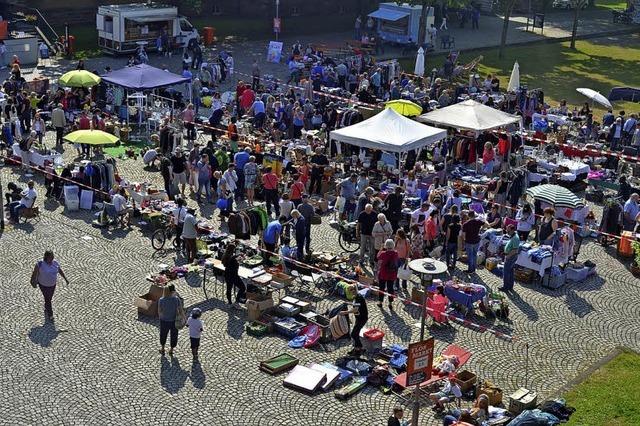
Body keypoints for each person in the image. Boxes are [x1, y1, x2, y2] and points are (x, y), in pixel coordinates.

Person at [31, 250, 69, 321]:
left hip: (52, 285)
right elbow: (34, 273)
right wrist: (33, 282)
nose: (52, 259)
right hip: (43, 284)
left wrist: (65, 279)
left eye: (52, 257)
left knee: (49, 298)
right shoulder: (40, 264)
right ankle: (50, 314)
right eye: (50, 257)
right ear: (46, 257)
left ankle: (46, 306)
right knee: (47, 299)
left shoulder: (55, 263)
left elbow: (59, 270)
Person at [340, 283, 368, 356]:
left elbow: (355, 309)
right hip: (359, 318)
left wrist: (345, 312)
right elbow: (355, 305)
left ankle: (359, 349)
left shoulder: (358, 297)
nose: (352, 291)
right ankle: (358, 348)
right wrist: (348, 303)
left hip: (362, 318)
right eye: (350, 290)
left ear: (356, 289)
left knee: (353, 334)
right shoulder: (355, 297)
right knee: (355, 333)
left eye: (353, 289)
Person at [158, 284, 183, 356]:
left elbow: (159, 311)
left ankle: (162, 348)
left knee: (163, 334)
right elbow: (180, 310)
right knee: (174, 335)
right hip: (174, 321)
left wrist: (162, 317)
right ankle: (171, 350)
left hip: (164, 321)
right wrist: (183, 318)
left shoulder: (161, 300)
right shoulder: (176, 299)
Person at [221, 243, 246, 309]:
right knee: (242, 288)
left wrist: (238, 255)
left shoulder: (225, 255)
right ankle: (237, 302)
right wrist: (241, 259)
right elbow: (237, 262)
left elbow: (232, 259)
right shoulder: (232, 258)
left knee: (229, 289)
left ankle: (229, 303)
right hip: (233, 275)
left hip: (227, 274)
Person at [377, 239, 398, 310]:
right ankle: (390, 303)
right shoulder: (395, 253)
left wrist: (381, 248)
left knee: (381, 288)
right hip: (392, 274)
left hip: (383, 273)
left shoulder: (383, 253)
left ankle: (380, 302)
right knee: (390, 289)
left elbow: (377, 257)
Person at [500, 224, 520, 292]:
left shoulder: (515, 238)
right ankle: (510, 286)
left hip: (511, 257)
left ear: (512, 230)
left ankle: (505, 287)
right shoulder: (513, 235)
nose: (506, 231)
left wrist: (508, 256)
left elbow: (515, 250)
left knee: (506, 272)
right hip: (510, 256)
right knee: (510, 272)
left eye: (508, 230)